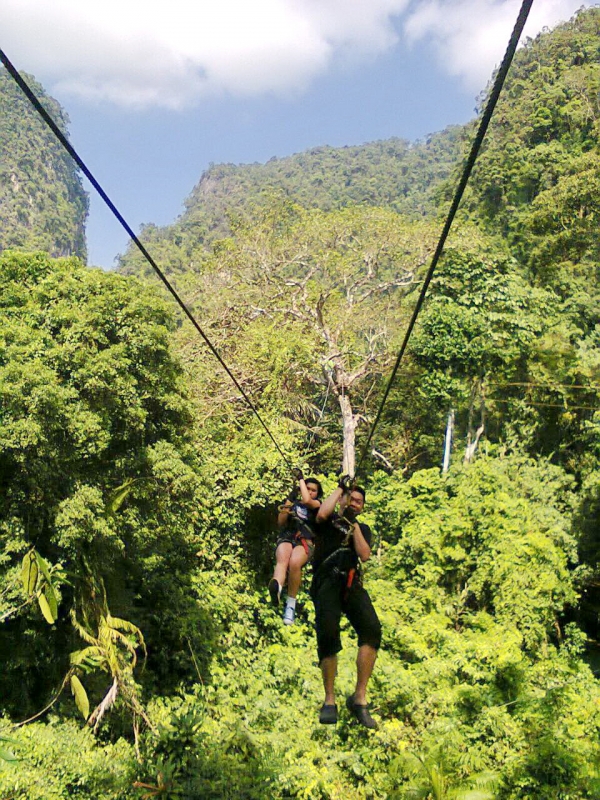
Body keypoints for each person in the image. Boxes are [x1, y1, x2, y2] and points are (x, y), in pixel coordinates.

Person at [311, 475, 381, 729]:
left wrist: (353, 526)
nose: (354, 503)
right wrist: (341, 489)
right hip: (327, 580)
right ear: (342, 500)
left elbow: (364, 555)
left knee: (372, 629)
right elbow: (320, 515)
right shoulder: (328, 519)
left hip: (351, 582)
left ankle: (359, 698)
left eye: (359, 502)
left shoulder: (361, 529)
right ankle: (330, 699)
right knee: (328, 633)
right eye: (351, 499)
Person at [269, 470, 323, 625]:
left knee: (294, 563)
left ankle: (290, 605)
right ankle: (277, 586)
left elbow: (307, 500)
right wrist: (289, 500)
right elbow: (281, 521)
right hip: (288, 536)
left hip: (305, 540)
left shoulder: (317, 505)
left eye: (314, 490)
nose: (310, 492)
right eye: (308, 488)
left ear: (317, 493)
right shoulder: (295, 503)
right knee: (283, 558)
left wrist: (301, 479)